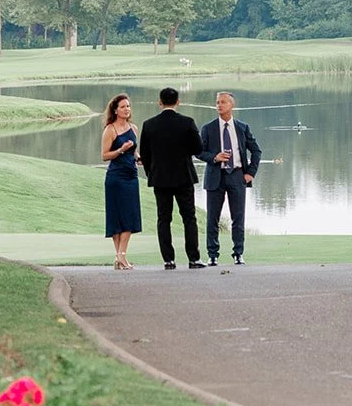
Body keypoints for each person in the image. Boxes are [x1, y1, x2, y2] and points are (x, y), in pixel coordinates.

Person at [139, 88, 204, 269]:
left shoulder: (149, 125)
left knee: (163, 218)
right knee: (189, 218)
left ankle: (168, 259)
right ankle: (193, 258)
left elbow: (145, 154)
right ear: (178, 102)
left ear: (160, 102)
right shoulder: (187, 123)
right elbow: (198, 148)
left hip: (160, 178)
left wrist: (151, 173)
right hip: (184, 176)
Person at [198, 93, 261, 265]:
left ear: (232, 105)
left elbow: (256, 151)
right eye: (217, 102)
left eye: (223, 102)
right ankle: (212, 255)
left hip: (237, 176)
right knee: (212, 218)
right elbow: (199, 152)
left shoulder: (242, 127)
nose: (219, 105)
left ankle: (238, 253)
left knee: (238, 218)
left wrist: (250, 173)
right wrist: (215, 157)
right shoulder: (208, 128)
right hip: (215, 177)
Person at [102, 93, 142, 270]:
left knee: (129, 216)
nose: (127, 109)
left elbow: (134, 151)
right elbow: (104, 155)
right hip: (115, 178)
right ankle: (121, 256)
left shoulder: (133, 128)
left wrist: (138, 157)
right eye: (123, 107)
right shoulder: (110, 129)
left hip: (131, 176)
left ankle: (120, 256)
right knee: (117, 217)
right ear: (115, 110)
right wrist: (120, 150)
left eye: (128, 106)